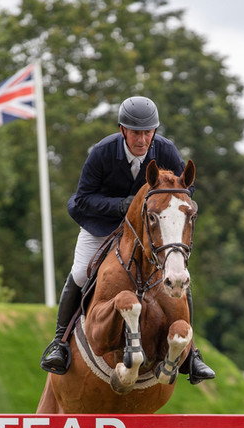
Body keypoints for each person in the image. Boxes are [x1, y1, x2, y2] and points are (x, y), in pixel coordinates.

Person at [41, 95, 215, 385]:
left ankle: (192, 354)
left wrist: (161, 206)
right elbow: (83, 199)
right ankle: (59, 343)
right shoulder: (103, 152)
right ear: (123, 130)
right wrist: (124, 205)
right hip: (102, 224)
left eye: (148, 132)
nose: (142, 140)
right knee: (81, 272)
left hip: (147, 228)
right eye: (136, 133)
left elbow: (185, 189)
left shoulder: (166, 150)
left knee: (178, 275)